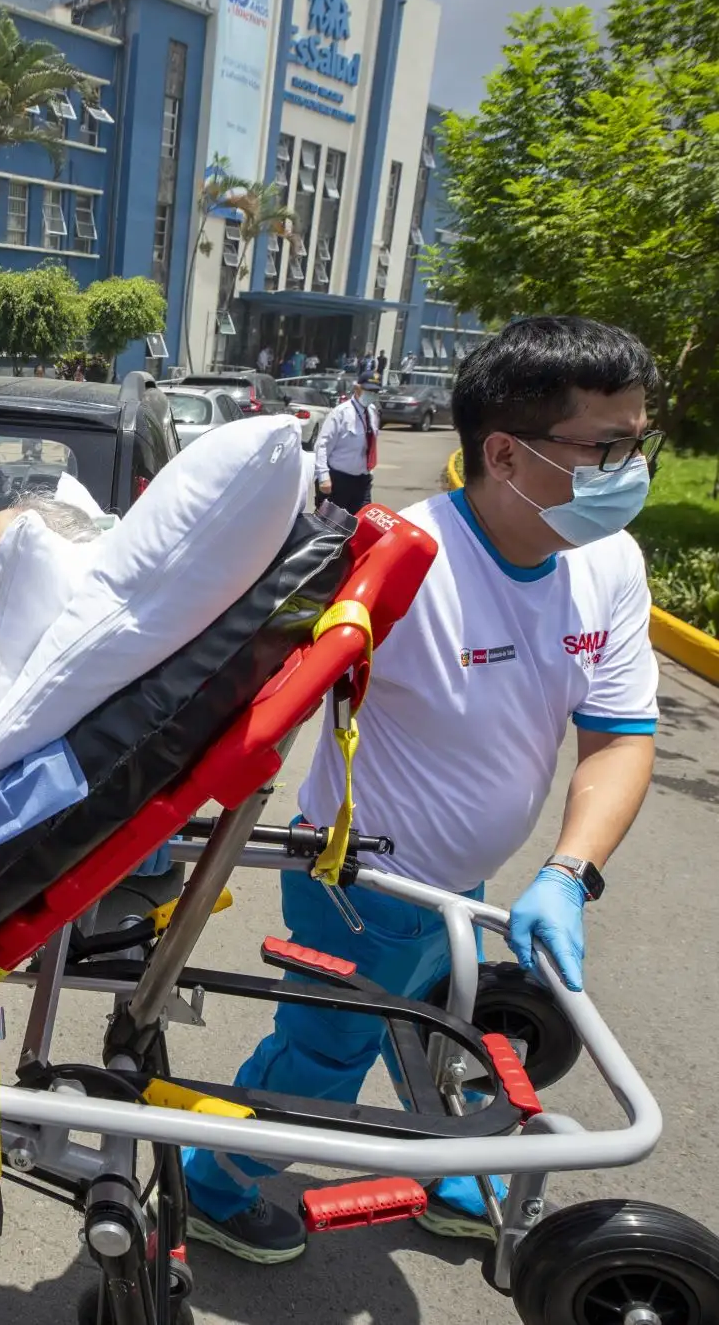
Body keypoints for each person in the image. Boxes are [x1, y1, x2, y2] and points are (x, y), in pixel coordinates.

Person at [182, 316, 663, 1263]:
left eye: (640, 442)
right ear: (505, 453)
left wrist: (571, 872)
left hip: (463, 881)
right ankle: (210, 1185)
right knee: (327, 1052)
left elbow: (620, 736)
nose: (629, 468)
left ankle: (451, 1172)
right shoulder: (398, 562)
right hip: (363, 882)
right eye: (606, 447)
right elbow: (240, 693)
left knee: (444, 1029)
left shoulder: (609, 564)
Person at [311, 378, 379, 513]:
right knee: (331, 525)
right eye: (369, 390)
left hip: (362, 480)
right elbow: (321, 445)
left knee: (361, 523)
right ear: (357, 389)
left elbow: (370, 442)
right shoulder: (341, 412)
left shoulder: (372, 412)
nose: (372, 394)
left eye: (375, 391)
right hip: (338, 480)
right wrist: (323, 477)